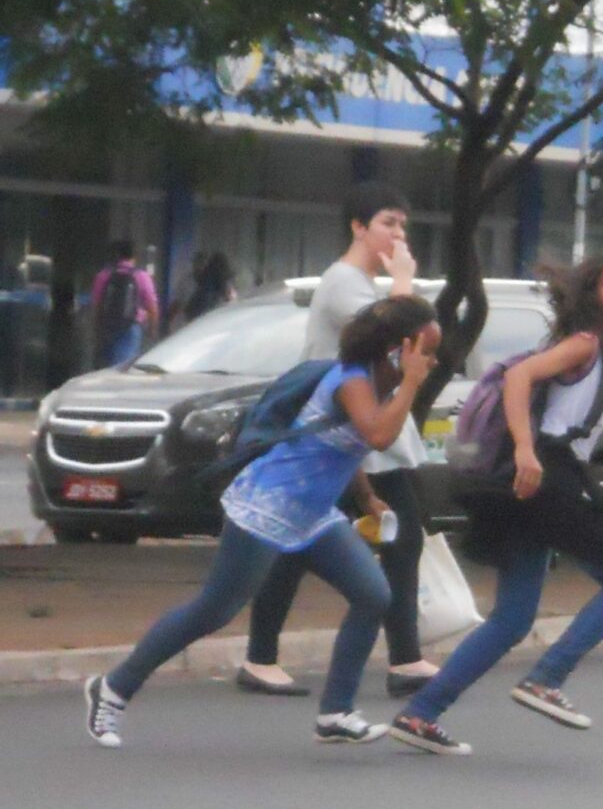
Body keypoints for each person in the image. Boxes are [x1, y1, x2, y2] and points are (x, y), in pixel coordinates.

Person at [83, 298, 440, 749]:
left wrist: (367, 497)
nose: (432, 361)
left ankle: (335, 713)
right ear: (397, 350)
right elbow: (377, 435)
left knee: (373, 595)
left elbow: (343, 445)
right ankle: (112, 688)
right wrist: (412, 382)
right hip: (266, 505)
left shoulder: (379, 385)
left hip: (312, 515)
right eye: (426, 351)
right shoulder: (352, 380)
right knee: (215, 609)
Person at [390, 251, 603, 755]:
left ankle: (421, 713)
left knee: (512, 619)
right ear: (591, 294)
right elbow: (519, 380)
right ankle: (547, 677)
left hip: (535, 487)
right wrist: (523, 449)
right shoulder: (581, 345)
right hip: (546, 476)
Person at [238, 181, 441, 699]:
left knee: (394, 537)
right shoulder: (343, 282)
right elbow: (395, 336)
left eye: (401, 225)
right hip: (349, 433)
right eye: (387, 223)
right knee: (320, 543)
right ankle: (264, 657)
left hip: (363, 432)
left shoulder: (359, 283)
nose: (398, 235)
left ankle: (403, 657)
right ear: (358, 226)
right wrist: (404, 282)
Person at [90, 241, 159, 367]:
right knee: (123, 367)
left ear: (117, 255)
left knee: (106, 367)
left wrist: (96, 329)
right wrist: (152, 330)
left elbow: (96, 306)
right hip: (131, 327)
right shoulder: (142, 276)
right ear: (134, 257)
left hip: (107, 326)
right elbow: (152, 307)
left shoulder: (103, 275)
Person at [171, 251, 237, 329]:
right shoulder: (188, 282)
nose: (199, 266)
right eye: (197, 263)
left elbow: (230, 300)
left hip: (212, 324)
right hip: (192, 324)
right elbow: (177, 304)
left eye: (203, 263)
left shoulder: (217, 284)